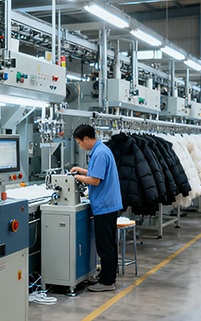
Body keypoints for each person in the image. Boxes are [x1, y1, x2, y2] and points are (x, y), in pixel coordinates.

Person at [70, 124, 122, 292]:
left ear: (86, 139)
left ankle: (107, 282)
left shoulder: (99, 153)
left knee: (105, 245)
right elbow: (96, 173)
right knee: (108, 244)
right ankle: (107, 276)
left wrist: (76, 177)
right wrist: (81, 171)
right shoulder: (102, 150)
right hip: (108, 204)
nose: (80, 145)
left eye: (79, 142)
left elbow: (95, 180)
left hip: (105, 206)